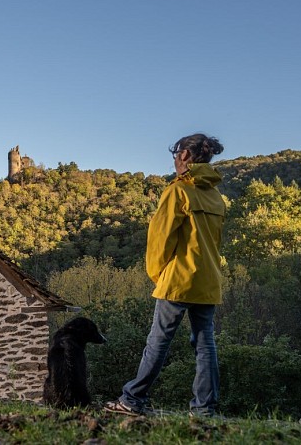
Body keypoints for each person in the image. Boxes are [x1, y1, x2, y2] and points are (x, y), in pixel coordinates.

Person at [104, 133, 226, 417]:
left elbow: (160, 240)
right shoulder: (216, 197)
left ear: (184, 155)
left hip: (178, 280)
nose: (173, 159)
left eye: (175, 154)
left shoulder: (177, 191)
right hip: (208, 281)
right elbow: (215, 243)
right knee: (205, 344)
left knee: (158, 341)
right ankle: (205, 409)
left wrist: (157, 274)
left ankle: (133, 400)